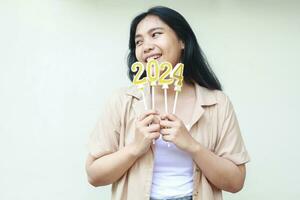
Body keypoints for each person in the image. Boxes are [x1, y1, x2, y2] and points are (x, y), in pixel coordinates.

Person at [85, 6, 250, 200]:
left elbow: (235, 182)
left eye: (155, 34)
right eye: (139, 42)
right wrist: (134, 148)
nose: (146, 46)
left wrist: (192, 146)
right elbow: (94, 175)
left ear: (182, 41)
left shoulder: (217, 103)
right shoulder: (122, 101)